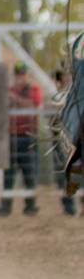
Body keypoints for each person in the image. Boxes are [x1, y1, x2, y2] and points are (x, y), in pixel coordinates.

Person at [0, 61, 42, 217]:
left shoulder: (34, 89)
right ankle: (5, 207)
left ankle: (31, 206)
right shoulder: (10, 90)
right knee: (8, 174)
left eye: (22, 75)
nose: (19, 78)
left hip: (28, 137)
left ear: (26, 75)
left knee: (29, 174)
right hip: (11, 136)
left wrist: (14, 98)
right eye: (17, 75)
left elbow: (33, 105)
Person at [50, 69, 77, 216]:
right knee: (62, 176)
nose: (67, 78)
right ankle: (68, 208)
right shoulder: (55, 95)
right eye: (64, 76)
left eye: (69, 75)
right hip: (60, 141)